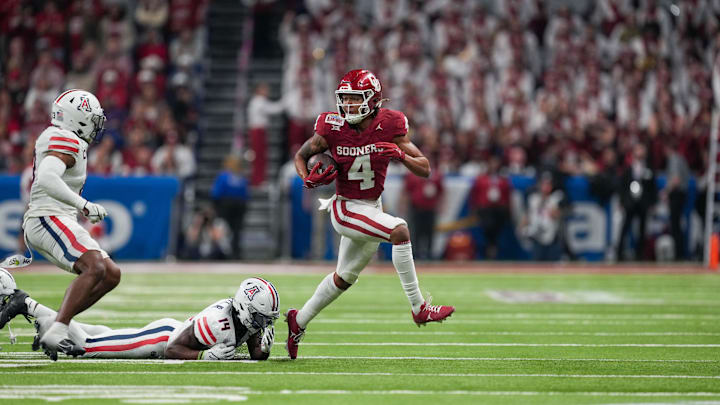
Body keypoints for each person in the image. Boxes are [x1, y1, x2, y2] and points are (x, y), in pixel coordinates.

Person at [287, 69, 455, 360]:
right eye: (346, 100)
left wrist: (399, 154)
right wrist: (307, 180)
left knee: (344, 278)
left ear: (373, 100)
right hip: (345, 207)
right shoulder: (330, 126)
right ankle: (419, 309)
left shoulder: (390, 122)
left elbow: (425, 167)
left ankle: (297, 321)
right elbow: (301, 156)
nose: (349, 106)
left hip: (371, 206)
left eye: (355, 99)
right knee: (400, 230)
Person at [0, 89, 120, 360]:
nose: (96, 126)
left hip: (57, 217)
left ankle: (54, 322)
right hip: (47, 217)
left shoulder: (70, 139)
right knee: (95, 266)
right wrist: (84, 205)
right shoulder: (65, 138)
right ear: (77, 118)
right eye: (92, 119)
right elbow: (46, 177)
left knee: (111, 274)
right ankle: (58, 329)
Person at [0, 276, 278, 361]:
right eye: (260, 318)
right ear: (245, 308)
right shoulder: (219, 322)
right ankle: (27, 303)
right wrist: (204, 358)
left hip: (170, 332)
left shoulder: (245, 319)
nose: (262, 324)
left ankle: (38, 312)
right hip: (159, 340)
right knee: (90, 347)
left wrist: (262, 349)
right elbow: (172, 350)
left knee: (97, 333)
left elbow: (255, 354)